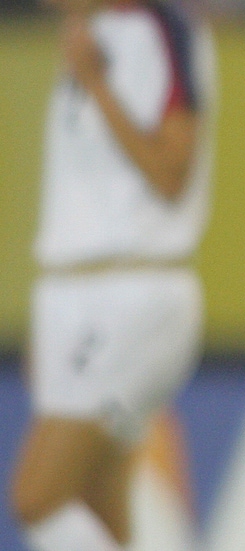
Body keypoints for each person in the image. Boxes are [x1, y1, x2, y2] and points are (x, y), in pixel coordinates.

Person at [8, 0, 216, 549]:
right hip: (77, 298)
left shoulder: (163, 32)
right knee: (96, 508)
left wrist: (98, 85)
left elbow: (171, 173)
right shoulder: (86, 35)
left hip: (131, 293)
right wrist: (53, 313)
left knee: (38, 500)